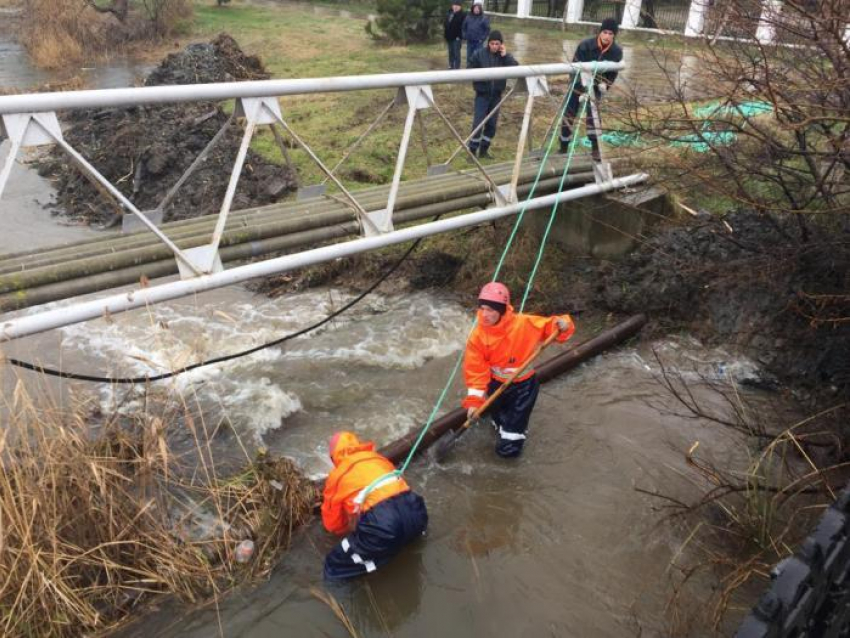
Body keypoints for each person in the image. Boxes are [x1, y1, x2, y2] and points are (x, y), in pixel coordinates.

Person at [462, 282, 575, 458]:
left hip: (523, 386)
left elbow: (553, 326)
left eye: (491, 310)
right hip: (496, 384)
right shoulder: (477, 337)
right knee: (498, 418)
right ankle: (501, 427)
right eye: (482, 308)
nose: (485, 314)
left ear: (501, 309)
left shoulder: (524, 323)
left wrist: (564, 324)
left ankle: (509, 452)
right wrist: (474, 401)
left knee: (512, 433)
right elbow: (476, 370)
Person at [321, 431, 428, 580]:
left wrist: (351, 529)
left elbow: (333, 525)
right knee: (400, 539)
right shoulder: (378, 458)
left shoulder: (337, 475)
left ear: (334, 457)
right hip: (416, 510)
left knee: (334, 565)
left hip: (384, 523)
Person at [559, 18, 623, 160]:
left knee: (593, 115)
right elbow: (575, 67)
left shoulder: (616, 52)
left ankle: (595, 148)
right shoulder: (585, 45)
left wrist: (606, 85)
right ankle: (563, 147)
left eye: (610, 33)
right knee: (569, 112)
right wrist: (581, 89)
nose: (607, 36)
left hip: (597, 85)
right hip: (578, 83)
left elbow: (613, 73)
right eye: (604, 32)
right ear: (600, 32)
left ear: (614, 35)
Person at [467, 31, 518, 159]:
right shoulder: (479, 54)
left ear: (501, 45)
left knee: (491, 125)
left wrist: (505, 56)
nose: (494, 46)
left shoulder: (504, 57)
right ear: (488, 43)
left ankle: (484, 150)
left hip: (496, 96)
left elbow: (516, 68)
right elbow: (469, 69)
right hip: (482, 95)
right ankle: (472, 151)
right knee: (478, 123)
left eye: (497, 44)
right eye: (492, 43)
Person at [461, 0, 490, 68]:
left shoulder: (483, 18)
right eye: (475, 8)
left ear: (480, 10)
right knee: (469, 56)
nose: (476, 10)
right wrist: (464, 35)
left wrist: (482, 39)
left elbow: (487, 30)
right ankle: (469, 68)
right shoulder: (468, 17)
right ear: (473, 9)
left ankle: (477, 70)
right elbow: (463, 27)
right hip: (470, 41)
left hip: (478, 42)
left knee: (478, 56)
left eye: (478, 9)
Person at [444, 1, 466, 70]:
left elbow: (464, 27)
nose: (455, 7)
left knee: (456, 53)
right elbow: (446, 24)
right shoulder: (449, 13)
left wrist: (460, 36)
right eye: (454, 5)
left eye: (457, 5)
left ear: (460, 7)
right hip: (449, 37)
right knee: (451, 52)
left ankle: (457, 67)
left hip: (457, 38)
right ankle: (451, 65)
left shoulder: (463, 15)